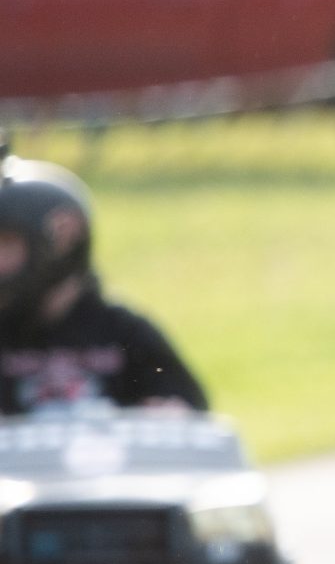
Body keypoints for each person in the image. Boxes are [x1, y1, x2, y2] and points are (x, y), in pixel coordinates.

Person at [0, 147, 206, 415]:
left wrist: (166, 412)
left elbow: (187, 413)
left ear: (63, 240)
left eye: (6, 245)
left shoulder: (123, 332)